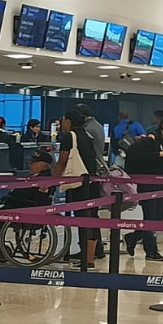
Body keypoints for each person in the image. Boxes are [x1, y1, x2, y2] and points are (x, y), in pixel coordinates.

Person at [124, 114, 163, 262]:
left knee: (157, 217)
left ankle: (133, 237)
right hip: (148, 183)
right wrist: (160, 154)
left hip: (160, 182)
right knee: (150, 215)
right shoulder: (152, 139)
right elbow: (136, 155)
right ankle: (151, 250)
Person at [54, 106, 107, 271]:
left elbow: (62, 161)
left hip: (78, 184)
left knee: (82, 218)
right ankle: (88, 257)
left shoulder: (68, 136)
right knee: (89, 219)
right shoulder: (86, 134)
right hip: (92, 181)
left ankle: (88, 258)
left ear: (68, 121)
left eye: (63, 120)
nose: (62, 123)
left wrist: (51, 180)